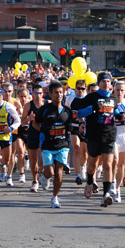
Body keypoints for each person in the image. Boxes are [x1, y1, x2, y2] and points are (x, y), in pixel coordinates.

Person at [72, 72, 119, 207]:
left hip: (109, 135)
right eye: (103, 81)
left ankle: (106, 194)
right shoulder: (90, 97)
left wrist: (122, 116)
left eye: (108, 82)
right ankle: (89, 181)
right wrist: (93, 108)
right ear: (99, 83)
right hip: (94, 135)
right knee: (92, 164)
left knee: (108, 165)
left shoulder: (113, 98)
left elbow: (115, 112)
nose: (106, 84)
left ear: (111, 84)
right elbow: (79, 114)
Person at [32, 80, 73, 208]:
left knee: (59, 172)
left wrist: (71, 129)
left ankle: (55, 197)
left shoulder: (67, 110)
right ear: (50, 94)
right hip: (47, 145)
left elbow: (69, 125)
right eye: (56, 93)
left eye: (61, 92)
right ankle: (44, 177)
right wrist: (42, 130)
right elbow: (34, 123)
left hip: (62, 145)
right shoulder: (44, 110)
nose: (59, 95)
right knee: (49, 172)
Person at [0, 86, 20, 192]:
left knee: (6, 160)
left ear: (2, 96)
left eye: (0, 95)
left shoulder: (8, 106)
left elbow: (18, 120)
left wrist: (11, 128)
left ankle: (5, 171)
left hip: (6, 137)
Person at [21, 84, 45, 192]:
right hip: (33, 133)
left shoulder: (47, 104)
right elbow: (21, 122)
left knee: (44, 157)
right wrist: (28, 119)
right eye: (36, 93)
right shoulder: (28, 105)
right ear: (33, 94)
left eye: (40, 93)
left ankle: (41, 172)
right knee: (33, 158)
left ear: (42, 94)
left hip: (45, 134)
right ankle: (35, 181)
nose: (38, 95)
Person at [65, 79, 88, 185]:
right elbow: (66, 112)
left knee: (85, 152)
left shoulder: (88, 98)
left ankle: (83, 167)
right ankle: (78, 173)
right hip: (74, 127)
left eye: (82, 89)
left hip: (85, 128)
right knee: (76, 149)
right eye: (78, 88)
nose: (80, 90)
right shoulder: (70, 98)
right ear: (75, 88)